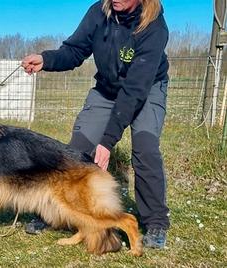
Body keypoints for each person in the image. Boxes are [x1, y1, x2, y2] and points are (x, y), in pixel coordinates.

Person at [21, 0, 169, 249]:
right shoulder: (98, 12)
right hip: (107, 90)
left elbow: (134, 90)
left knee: (145, 150)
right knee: (75, 151)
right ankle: (53, 214)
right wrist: (46, 60)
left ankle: (155, 222)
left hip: (146, 89)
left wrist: (108, 141)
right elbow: (74, 50)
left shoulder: (154, 26)